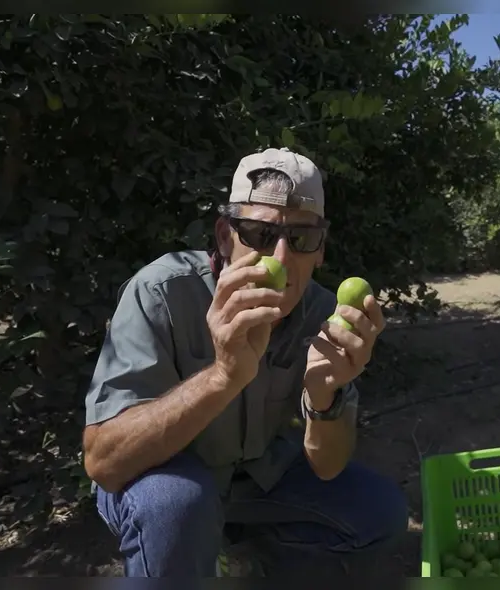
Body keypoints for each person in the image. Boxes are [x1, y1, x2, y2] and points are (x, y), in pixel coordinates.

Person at [81, 148, 409, 578]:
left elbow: (327, 466)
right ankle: (189, 551)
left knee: (379, 512)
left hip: (253, 480)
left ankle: (243, 563)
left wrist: (323, 396)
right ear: (224, 236)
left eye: (302, 238)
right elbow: (105, 463)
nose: (280, 259)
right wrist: (223, 376)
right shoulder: (161, 293)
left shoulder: (323, 315)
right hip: (164, 479)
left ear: (321, 250)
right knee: (175, 504)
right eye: (257, 233)